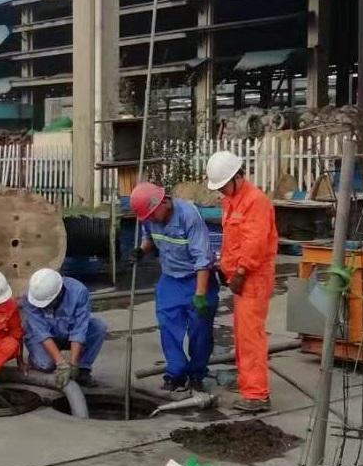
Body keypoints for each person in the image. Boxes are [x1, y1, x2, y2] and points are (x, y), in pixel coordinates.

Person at [205, 150, 279, 413]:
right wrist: (225, 266)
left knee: (250, 337)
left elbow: (255, 243)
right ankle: (249, 383)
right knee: (241, 335)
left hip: (252, 278)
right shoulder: (231, 200)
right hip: (241, 277)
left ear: (237, 177)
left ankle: (257, 394)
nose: (222, 191)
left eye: (224, 185)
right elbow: (233, 240)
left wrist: (239, 273)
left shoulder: (255, 201)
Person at [129, 181, 219, 393]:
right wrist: (141, 251)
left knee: (200, 330)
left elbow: (203, 259)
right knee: (168, 328)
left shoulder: (189, 216)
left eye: (152, 214)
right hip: (170, 279)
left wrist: (200, 295)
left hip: (197, 278)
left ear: (164, 203)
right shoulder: (150, 217)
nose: (150, 219)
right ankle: (176, 374)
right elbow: (149, 239)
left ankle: (197, 374)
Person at [20, 268, 109, 388]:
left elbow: (79, 331)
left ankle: (83, 370)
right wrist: (61, 363)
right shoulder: (30, 297)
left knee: (99, 327)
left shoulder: (78, 292)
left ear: (59, 293)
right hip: (43, 336)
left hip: (68, 333)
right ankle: (38, 358)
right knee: (45, 364)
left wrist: (73, 364)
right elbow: (42, 333)